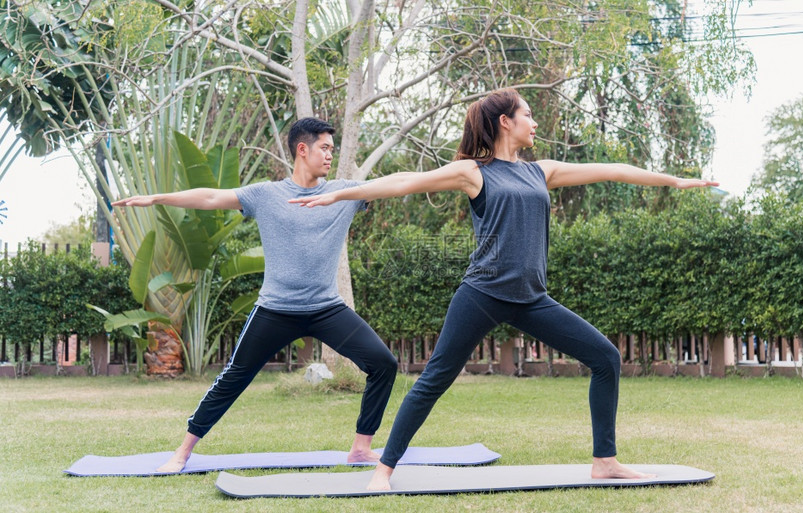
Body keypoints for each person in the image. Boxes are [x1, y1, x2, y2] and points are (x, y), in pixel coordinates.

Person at [290, 88, 719, 490]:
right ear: (503, 122)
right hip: (483, 293)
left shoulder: (541, 171)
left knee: (605, 356)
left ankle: (604, 461)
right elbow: (406, 181)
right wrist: (341, 195)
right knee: (435, 379)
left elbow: (613, 171)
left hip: (532, 298)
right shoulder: (473, 172)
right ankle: (383, 469)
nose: (534, 123)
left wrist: (673, 181)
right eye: (527, 115)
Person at [112, 117, 398, 473]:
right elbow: (211, 196)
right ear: (302, 149)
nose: (330, 156)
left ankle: (360, 448)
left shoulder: (343, 193)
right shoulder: (266, 195)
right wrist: (158, 198)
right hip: (275, 310)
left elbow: (393, 185)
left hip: (326, 308)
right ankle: (183, 452)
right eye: (325, 148)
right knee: (234, 377)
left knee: (384, 363)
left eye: (332, 149)